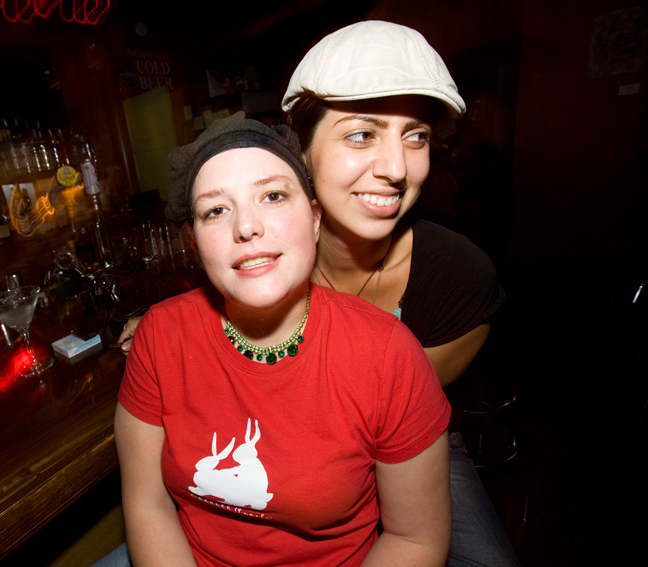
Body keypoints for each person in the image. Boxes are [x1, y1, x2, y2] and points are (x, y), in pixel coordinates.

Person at [119, 20, 519, 567]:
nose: (395, 169)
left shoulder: (456, 280)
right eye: (361, 134)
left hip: (398, 439)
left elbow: (373, 417)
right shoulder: (236, 263)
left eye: (417, 136)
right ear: (303, 156)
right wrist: (166, 331)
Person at [115, 112, 451, 566]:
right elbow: (148, 505)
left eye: (273, 196)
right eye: (216, 210)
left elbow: (415, 540)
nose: (246, 227)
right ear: (194, 242)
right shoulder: (159, 334)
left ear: (315, 220)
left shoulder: (388, 355)